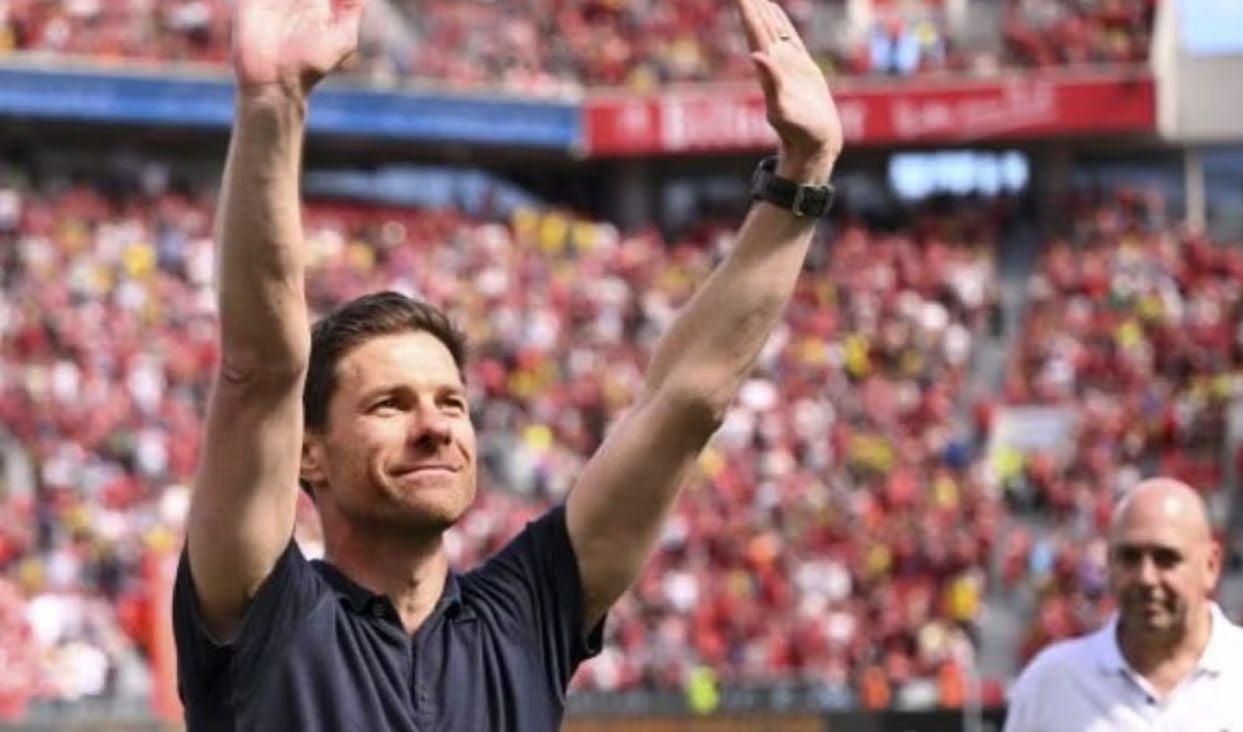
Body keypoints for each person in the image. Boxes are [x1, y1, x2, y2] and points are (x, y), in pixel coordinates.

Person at [171, 0, 843, 730]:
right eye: (390, 404)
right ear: (309, 453)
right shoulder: (265, 613)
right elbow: (261, 368)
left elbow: (686, 404)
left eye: (451, 402)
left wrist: (802, 176)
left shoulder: (526, 613)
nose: (435, 427)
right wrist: (274, 103)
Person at [1004, 477, 1243, 731]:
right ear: (1109, 564)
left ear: (1211, 565)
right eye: (1130, 557)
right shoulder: (1052, 683)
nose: (1146, 577)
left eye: (1166, 558)